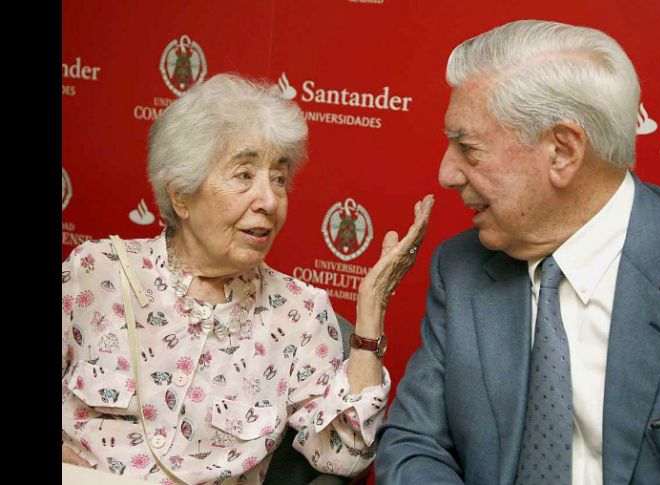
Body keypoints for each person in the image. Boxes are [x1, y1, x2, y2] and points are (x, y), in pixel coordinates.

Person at [376, 19, 660, 485]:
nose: (446, 173)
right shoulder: (461, 269)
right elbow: (415, 443)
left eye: (468, 149)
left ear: (562, 152)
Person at [61, 73, 434, 484]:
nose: (270, 201)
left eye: (278, 178)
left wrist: (370, 313)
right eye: (244, 175)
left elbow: (343, 458)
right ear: (181, 195)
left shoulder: (299, 314)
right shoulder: (96, 273)